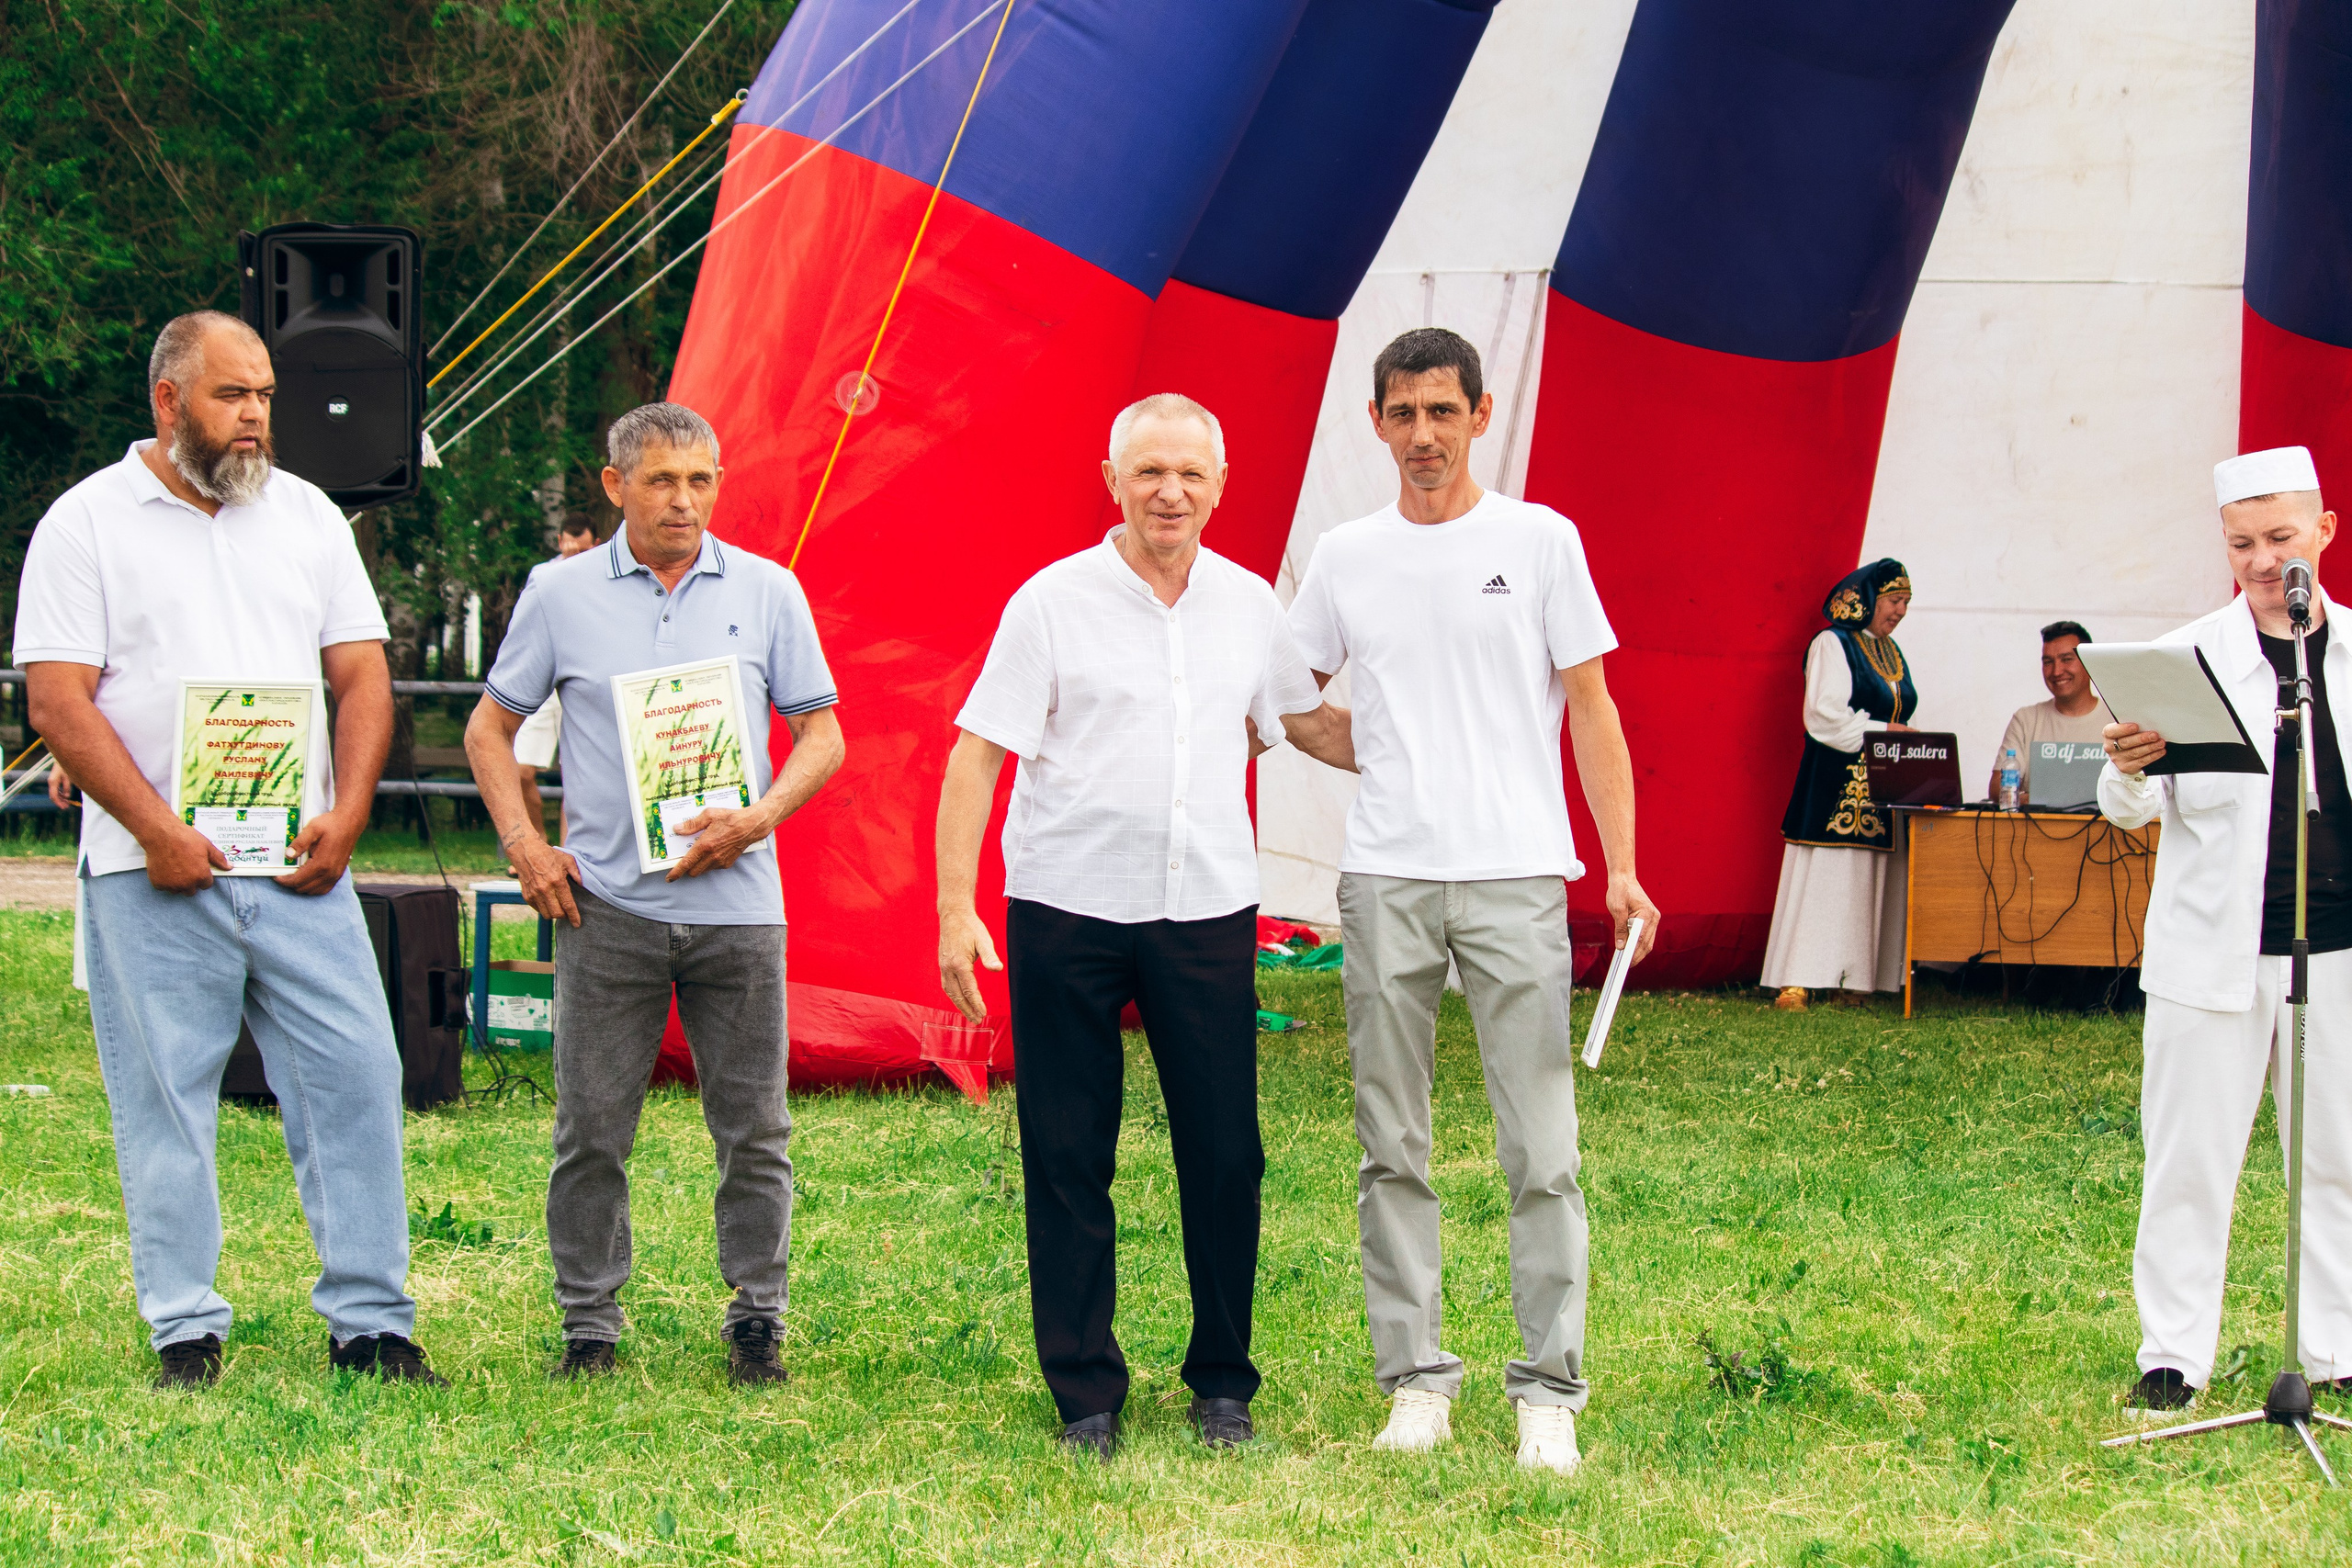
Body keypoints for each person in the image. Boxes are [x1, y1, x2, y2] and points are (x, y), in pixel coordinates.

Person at [15, 310, 440, 1387]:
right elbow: (59, 701)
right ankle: (186, 1333)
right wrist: (156, 831)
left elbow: (361, 678)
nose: (254, 418)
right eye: (230, 397)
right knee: (165, 1100)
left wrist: (347, 815)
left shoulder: (304, 516)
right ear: (168, 402)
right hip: (150, 870)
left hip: (297, 866)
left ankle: (373, 1327)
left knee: (356, 1074)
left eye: (263, 398)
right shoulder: (86, 523)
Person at [934, 393, 1355, 1461]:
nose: (1170, 491)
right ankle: (1086, 1393)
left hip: (1205, 912)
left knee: (1226, 1154)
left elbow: (1285, 726)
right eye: (1149, 472)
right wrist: (953, 909)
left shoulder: (1252, 604)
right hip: (1065, 907)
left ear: (1221, 486)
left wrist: (1436, 737)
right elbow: (977, 754)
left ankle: (1222, 1381)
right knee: (1068, 1154)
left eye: (1191, 475)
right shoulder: (1051, 603)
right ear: (1111, 478)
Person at [1285, 328, 1659, 1474]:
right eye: (1401, 416)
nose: (1422, 437)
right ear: (1376, 425)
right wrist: (1382, 752)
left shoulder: (1540, 540)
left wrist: (1625, 864)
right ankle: (1415, 1382)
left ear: (1481, 416)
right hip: (1388, 875)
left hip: (1515, 877)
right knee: (1389, 1141)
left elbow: (1590, 705)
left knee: (1539, 1147)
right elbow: (1287, 696)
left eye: (1442, 413)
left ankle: (1549, 1390)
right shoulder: (1345, 555)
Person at [465, 401, 845, 1386]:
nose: (684, 501)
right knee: (591, 1128)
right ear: (614, 485)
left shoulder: (768, 591)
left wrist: (755, 820)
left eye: (702, 481)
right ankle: (589, 1323)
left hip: (740, 911)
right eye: (664, 481)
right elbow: (486, 732)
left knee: (756, 1129)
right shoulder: (557, 595)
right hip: (607, 910)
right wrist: (527, 848)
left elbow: (824, 737)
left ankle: (758, 1316)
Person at [2100, 445, 2352, 1410]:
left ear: (2322, 533)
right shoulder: (2186, 656)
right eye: (2241, 542)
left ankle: (2331, 1349)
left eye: (2279, 536)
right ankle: (2172, 1356)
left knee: (2333, 1157)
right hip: (2213, 953)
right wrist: (2124, 763)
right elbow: (2127, 808)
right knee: (2189, 1159)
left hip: (2335, 949)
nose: (2260, 558)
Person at [1758, 559, 1918, 1010]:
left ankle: (1856, 980)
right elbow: (1823, 715)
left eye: (1906, 602)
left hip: (1883, 788)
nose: (1901, 610)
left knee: (1866, 878)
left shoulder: (1892, 652)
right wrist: (1886, 733)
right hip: (1834, 787)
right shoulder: (1833, 643)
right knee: (1827, 878)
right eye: (1894, 600)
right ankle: (1799, 980)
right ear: (1867, 600)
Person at [513, 514, 599, 842]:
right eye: (568, 548)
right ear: (559, 542)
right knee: (522, 771)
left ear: (595, 545)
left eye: (580, 551)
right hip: (546, 683)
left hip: (586, 682)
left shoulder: (606, 579)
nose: (572, 555)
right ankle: (536, 843)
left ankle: (570, 853)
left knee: (576, 779)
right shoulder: (542, 576)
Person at [1985, 620, 2106, 802]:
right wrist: (2039, 801)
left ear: (2089, 663)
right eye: (2048, 662)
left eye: (2067, 660)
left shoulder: (2118, 719)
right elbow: (1998, 789)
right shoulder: (2026, 719)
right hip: (2035, 829)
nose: (2057, 671)